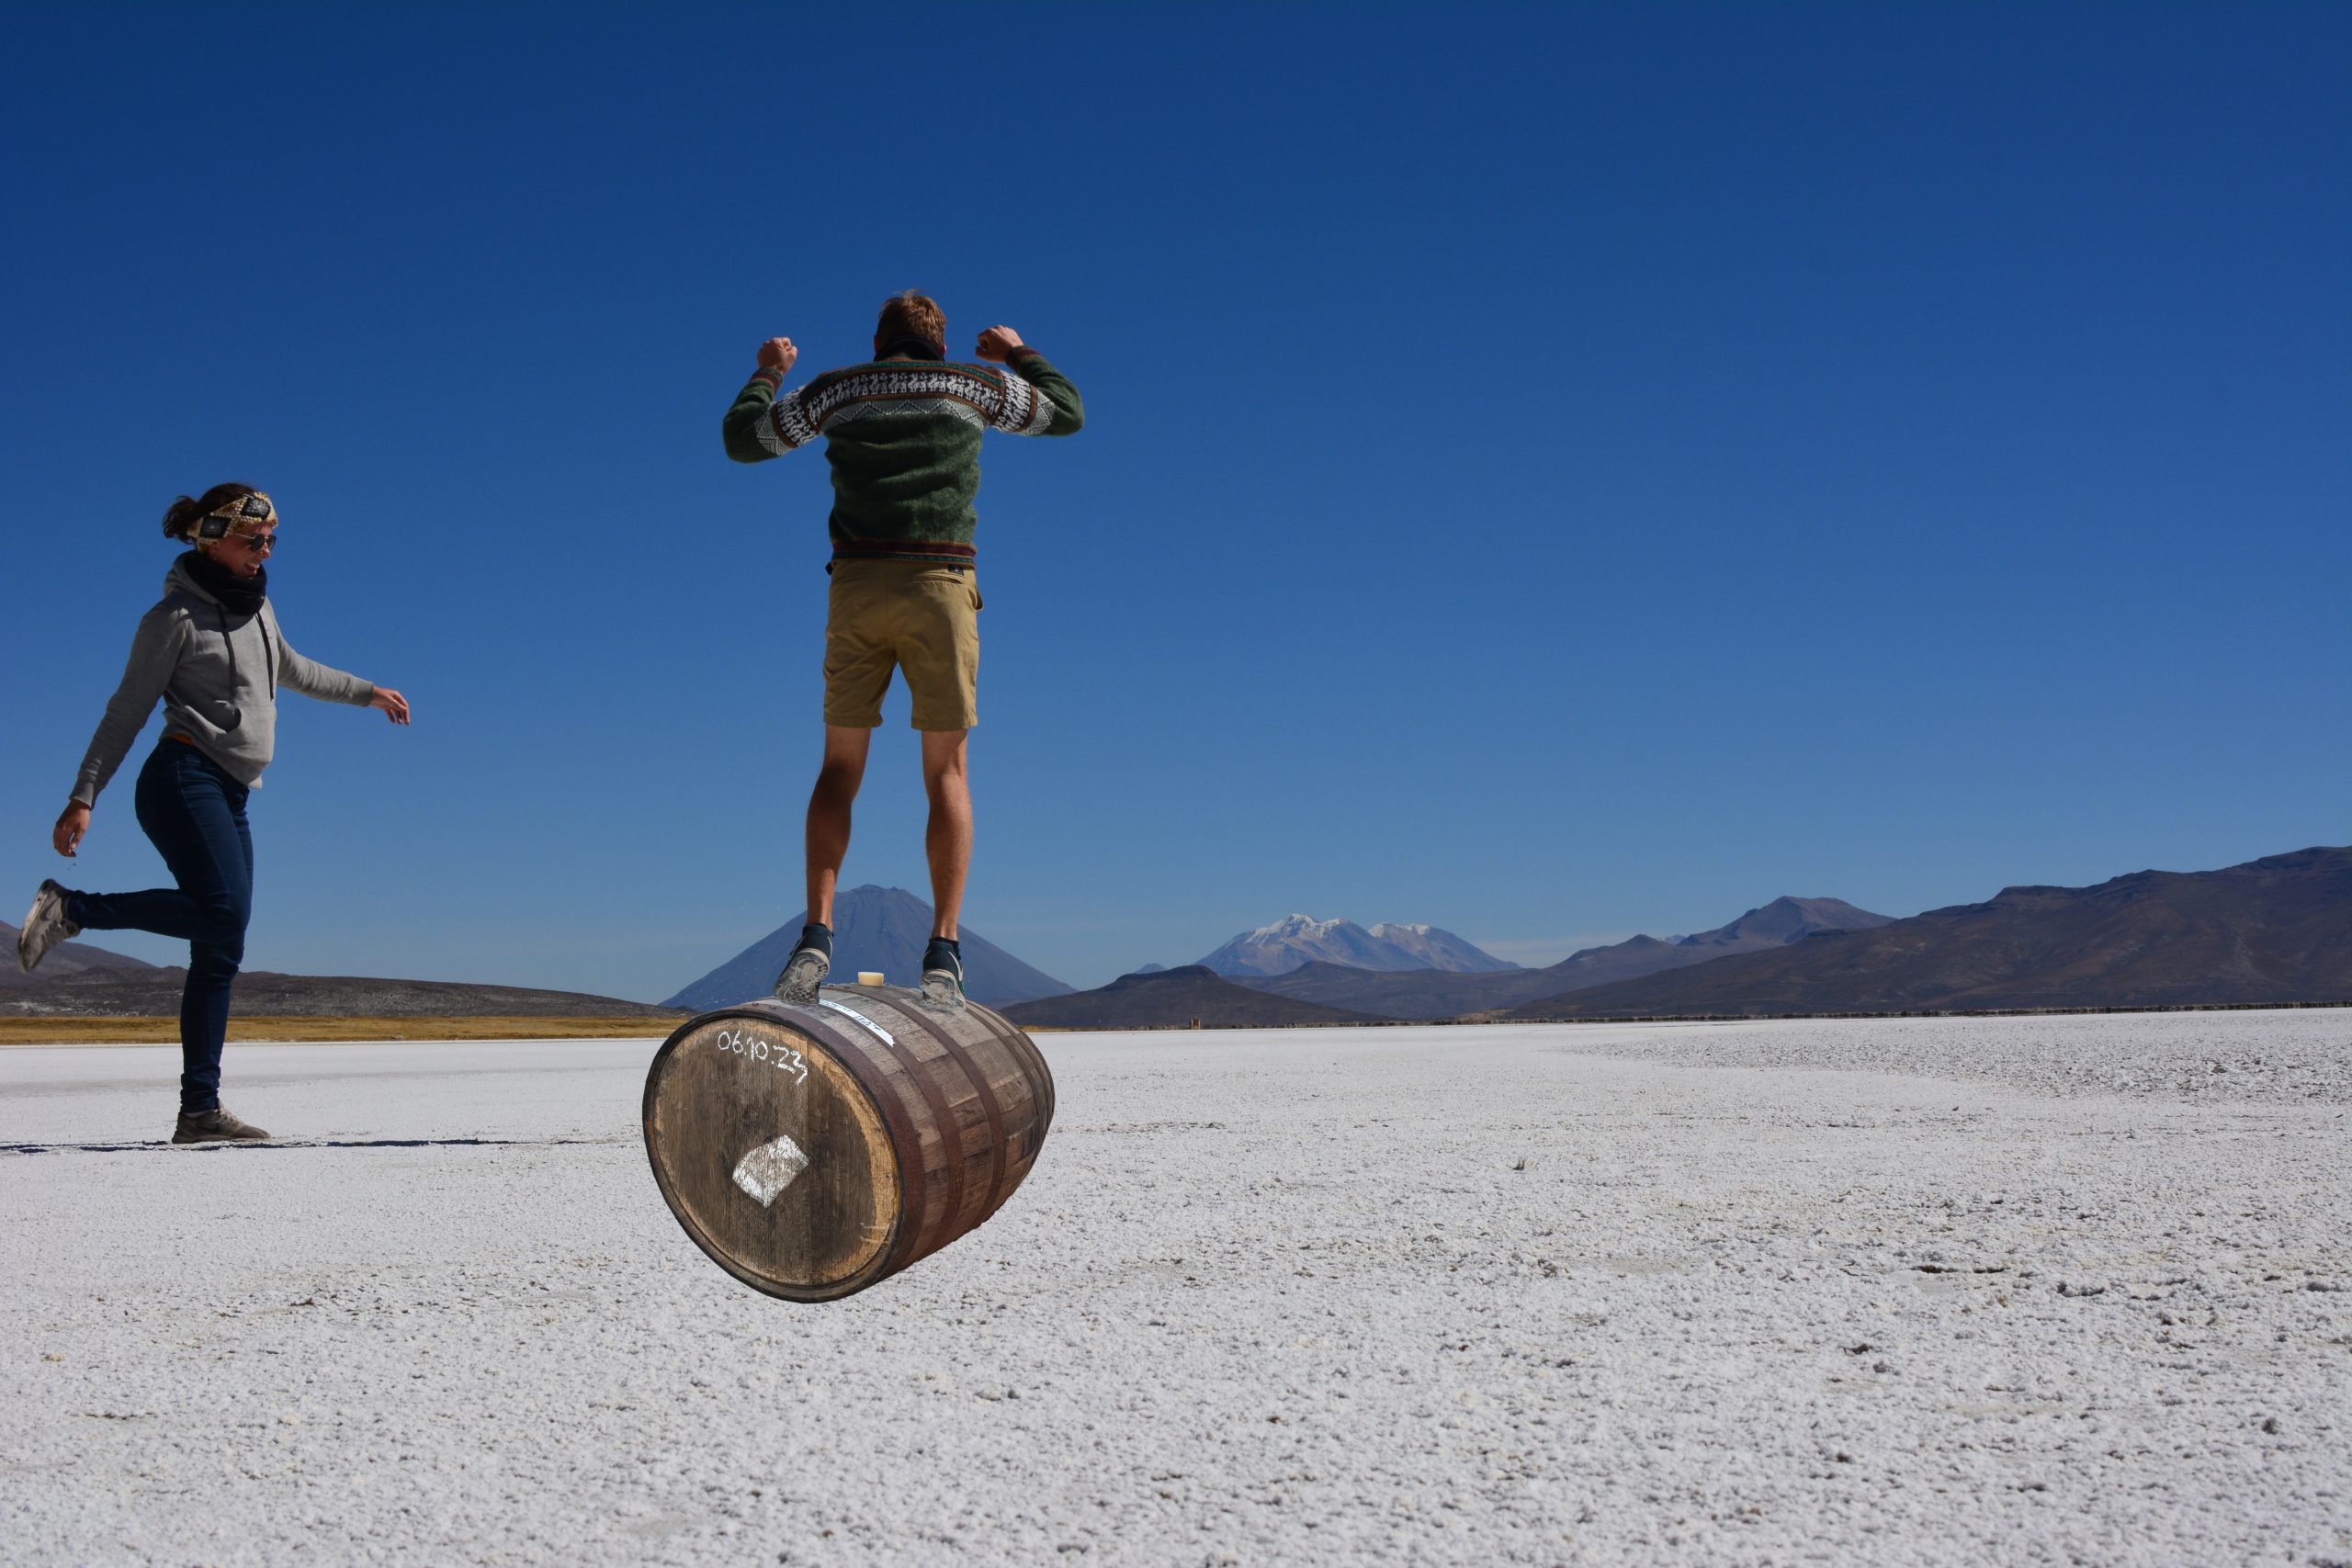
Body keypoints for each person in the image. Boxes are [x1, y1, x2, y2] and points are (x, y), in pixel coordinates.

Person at [721, 290, 1083, 1005]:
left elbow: (743, 440)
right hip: (941, 587)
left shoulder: (839, 389)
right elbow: (1066, 412)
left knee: (838, 765)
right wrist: (1016, 352)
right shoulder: (971, 386)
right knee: (945, 767)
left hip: (855, 589)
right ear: (941, 347)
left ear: (878, 342)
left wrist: (768, 371)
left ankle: (816, 937)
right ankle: (943, 952)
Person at [17, 485, 411, 1142]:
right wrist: (83, 796)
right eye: (251, 540)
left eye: (270, 541)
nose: (263, 551)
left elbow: (295, 669)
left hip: (230, 790)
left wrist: (367, 693)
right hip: (181, 776)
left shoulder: (257, 611)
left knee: (221, 944)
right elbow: (125, 711)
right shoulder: (171, 620)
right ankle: (73, 908)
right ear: (211, 538)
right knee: (224, 912)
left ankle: (199, 1110)